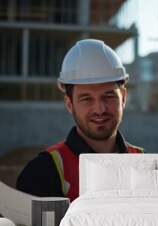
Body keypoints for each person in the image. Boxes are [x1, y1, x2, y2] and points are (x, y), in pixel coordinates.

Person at [17, 39, 144, 202]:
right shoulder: (42, 172)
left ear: (124, 98)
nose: (100, 109)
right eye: (86, 99)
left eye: (108, 96)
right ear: (69, 104)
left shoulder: (145, 163)